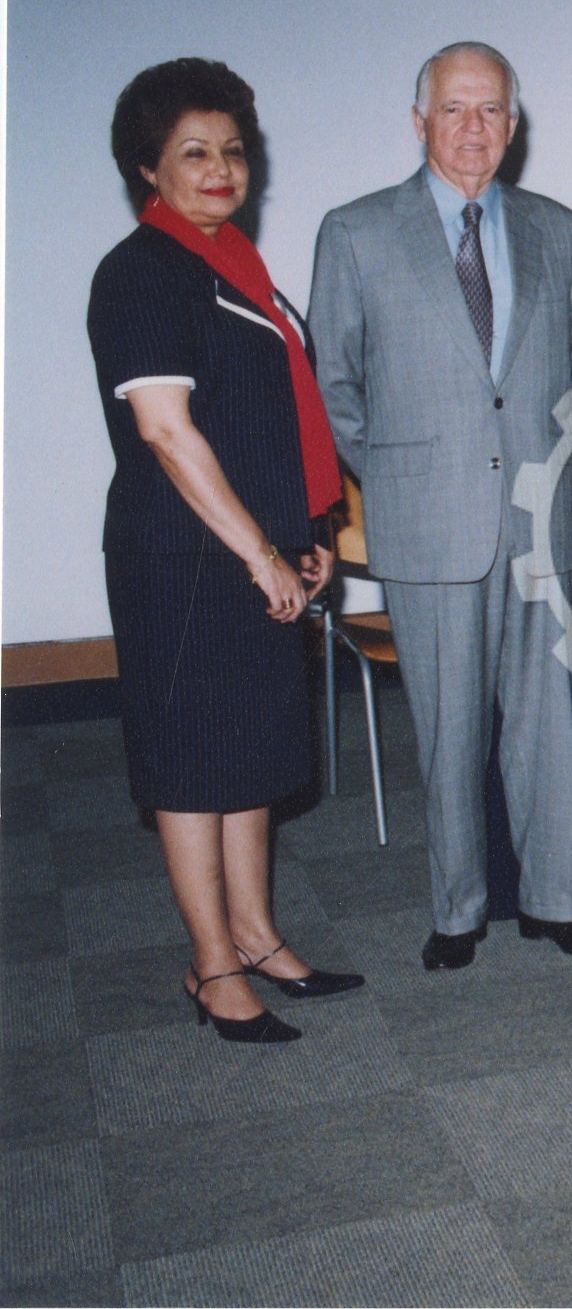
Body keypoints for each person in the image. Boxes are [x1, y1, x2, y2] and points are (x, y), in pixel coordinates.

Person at [310, 41, 572, 970]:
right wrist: (400, 474)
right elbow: (334, 384)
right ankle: (458, 911)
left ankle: (555, 900)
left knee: (546, 726)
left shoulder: (560, 228)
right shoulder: (357, 231)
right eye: (454, 108)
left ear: (513, 125)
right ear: (419, 121)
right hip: (428, 521)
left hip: (538, 517)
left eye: (491, 110)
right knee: (448, 730)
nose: (473, 128)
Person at [89, 58, 364, 1042]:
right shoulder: (141, 273)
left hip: (257, 543)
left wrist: (309, 532)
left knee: (250, 753)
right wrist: (259, 552)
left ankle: (256, 933)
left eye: (233, 151)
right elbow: (168, 432)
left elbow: (269, 416)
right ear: (148, 167)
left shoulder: (234, 265)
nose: (220, 170)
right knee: (192, 763)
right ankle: (211, 964)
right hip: (185, 556)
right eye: (194, 153)